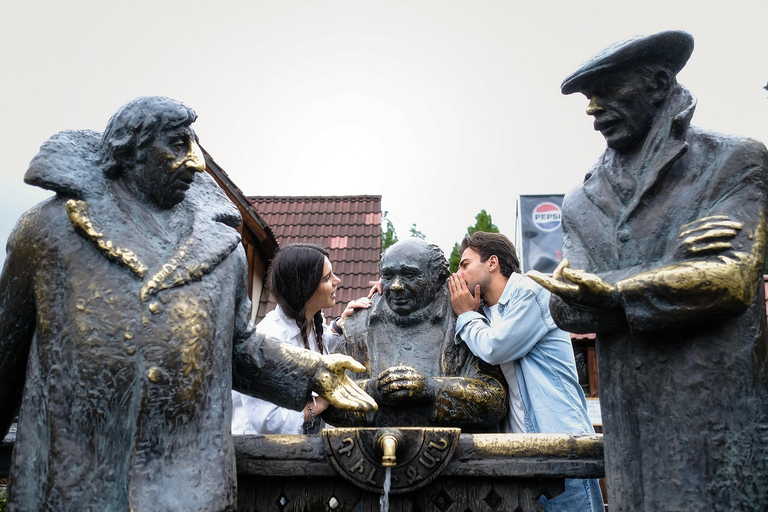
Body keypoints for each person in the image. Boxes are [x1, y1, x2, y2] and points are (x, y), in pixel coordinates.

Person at [0, 96, 375, 511]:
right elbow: (4, 363)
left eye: (194, 142)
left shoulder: (224, 251)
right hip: (73, 490)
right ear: (130, 149)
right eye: (178, 144)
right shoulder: (47, 234)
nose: (196, 162)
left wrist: (315, 371)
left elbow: (238, 349)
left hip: (192, 490)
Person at [528, 30, 768, 510]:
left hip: (720, 432)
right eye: (588, 99)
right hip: (631, 434)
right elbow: (566, 302)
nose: (592, 109)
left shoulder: (733, 161)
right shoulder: (581, 200)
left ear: (658, 83)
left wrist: (613, 294)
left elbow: (731, 279)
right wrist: (673, 273)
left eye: (607, 91)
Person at [448, 231, 604, 511]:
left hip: (560, 449)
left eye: (464, 264)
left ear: (492, 262)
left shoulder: (532, 291)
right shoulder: (485, 311)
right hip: (520, 455)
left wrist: (467, 317)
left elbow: (496, 347)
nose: (458, 273)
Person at [326, 238, 507, 431]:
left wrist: (431, 390)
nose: (396, 285)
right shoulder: (357, 327)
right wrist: (372, 391)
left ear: (437, 278)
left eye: (409, 275)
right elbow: (329, 402)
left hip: (452, 453)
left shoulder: (464, 321)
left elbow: (496, 400)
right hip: (372, 453)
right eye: (388, 276)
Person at [231, 243, 371, 435]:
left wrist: (340, 324)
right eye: (327, 278)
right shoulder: (270, 339)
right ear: (305, 288)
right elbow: (270, 422)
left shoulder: (311, 319)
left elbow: (317, 346)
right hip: (256, 450)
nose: (337, 281)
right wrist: (323, 401)